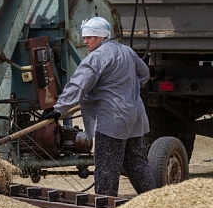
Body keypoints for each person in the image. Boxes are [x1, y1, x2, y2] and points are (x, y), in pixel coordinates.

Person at [45, 17, 157, 197]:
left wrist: (59, 109)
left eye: (90, 37)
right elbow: (144, 73)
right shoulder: (126, 51)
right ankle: (157, 203)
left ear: (102, 36)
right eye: (85, 37)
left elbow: (79, 84)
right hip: (135, 116)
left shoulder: (98, 57)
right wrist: (128, 89)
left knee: (107, 168)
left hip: (112, 119)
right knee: (137, 164)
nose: (85, 41)